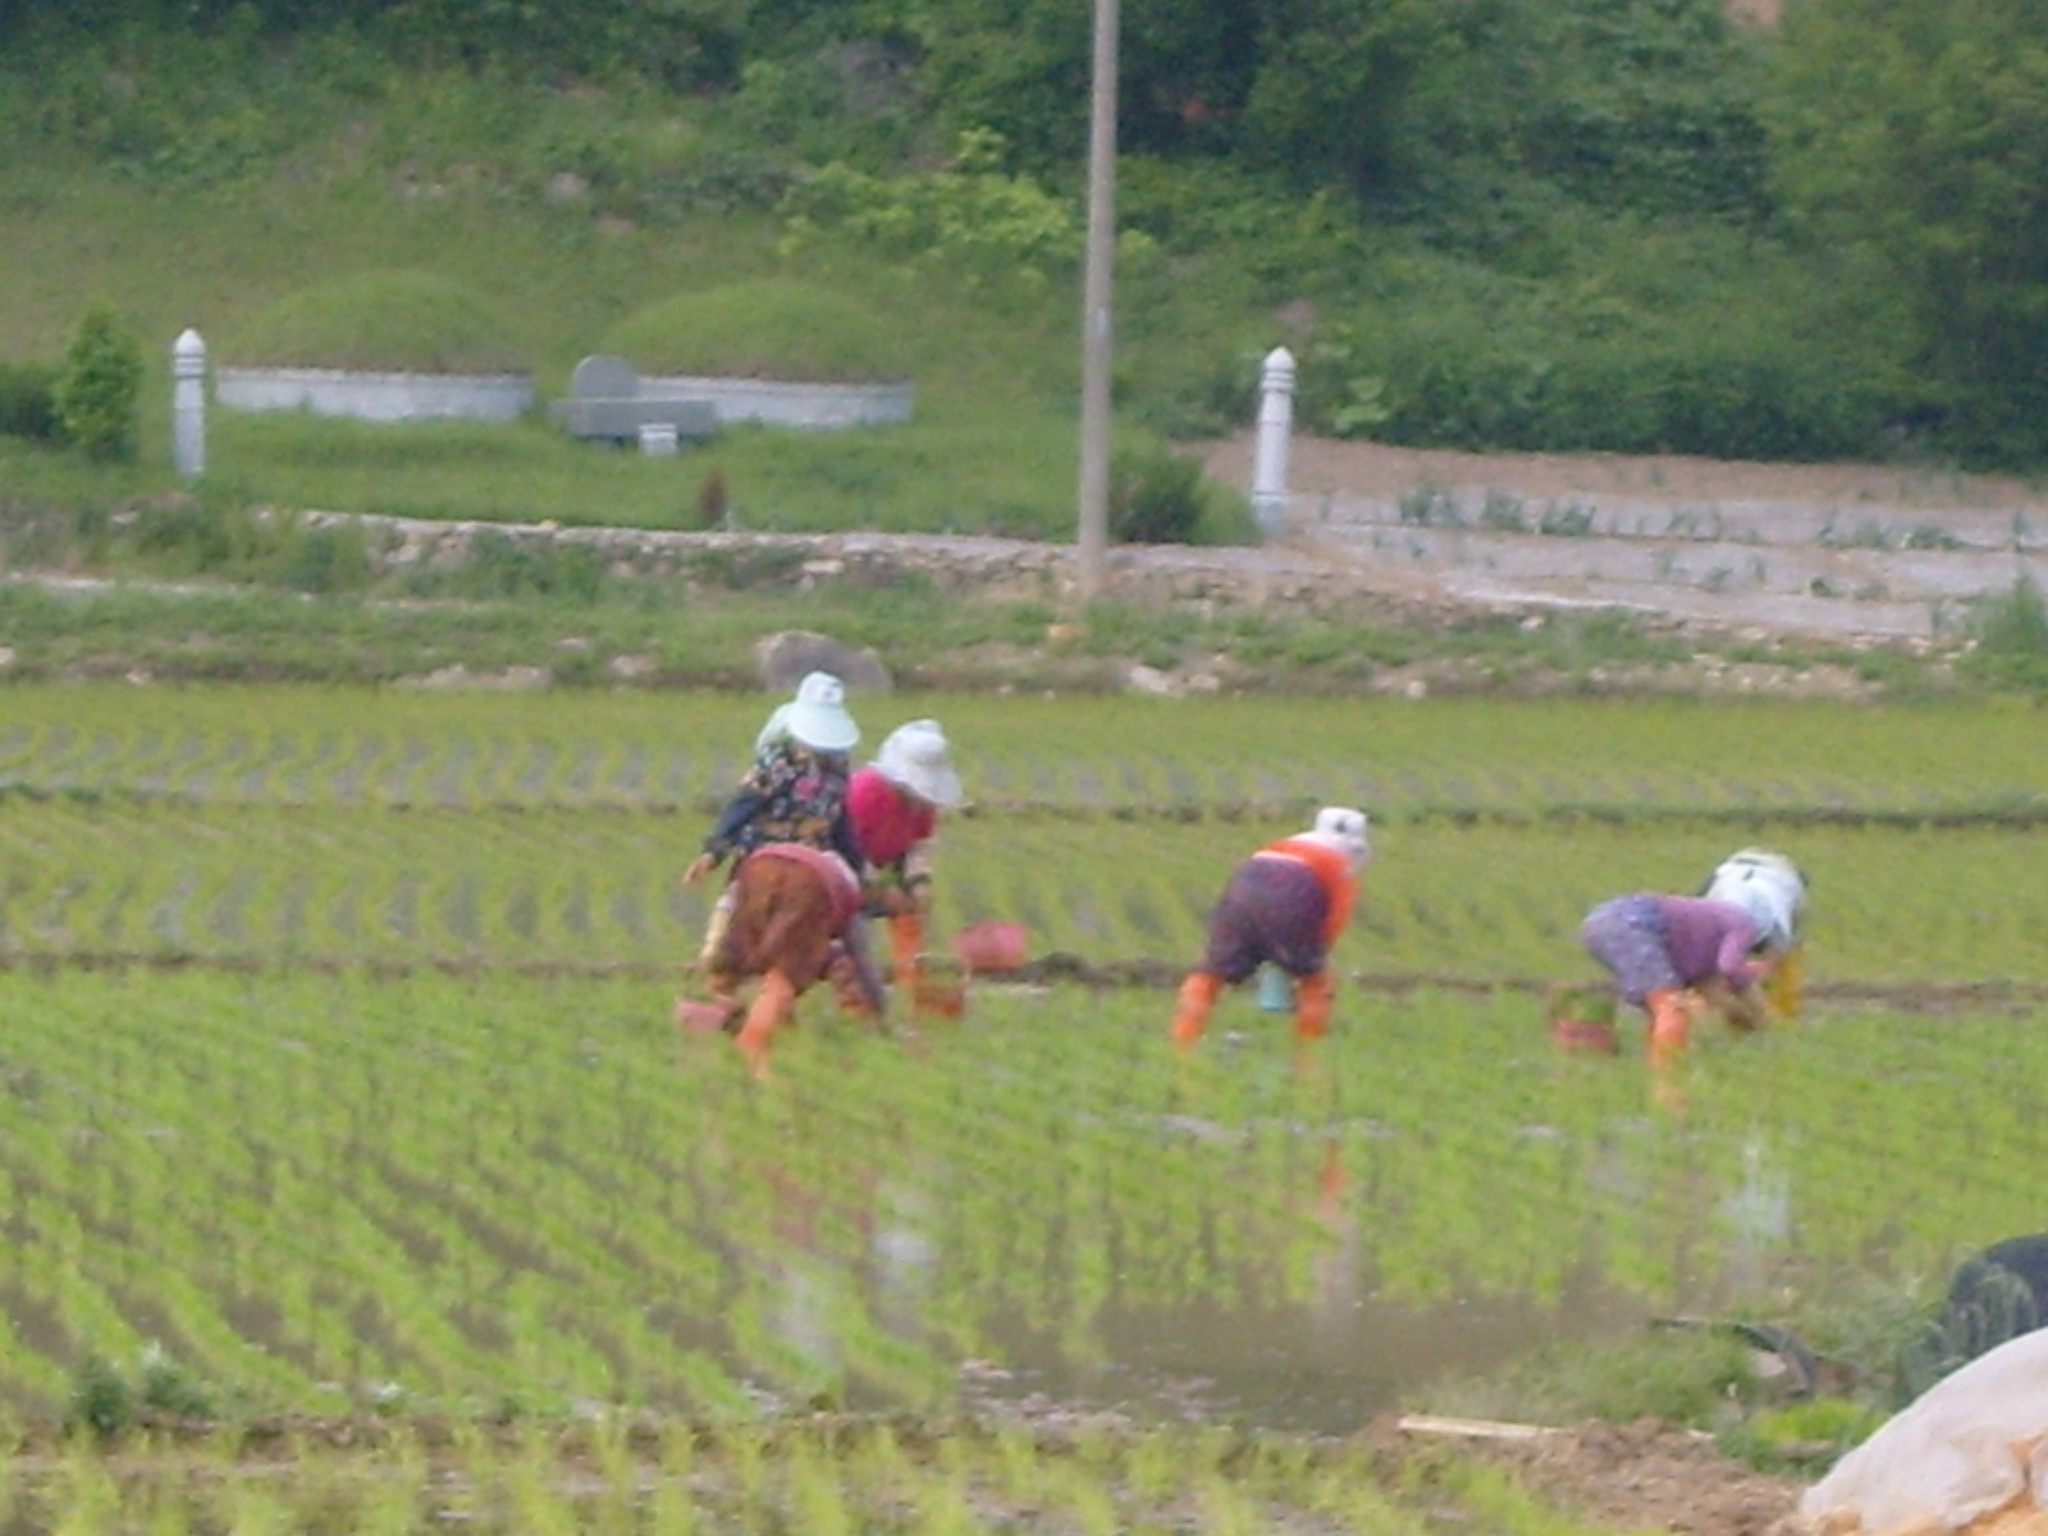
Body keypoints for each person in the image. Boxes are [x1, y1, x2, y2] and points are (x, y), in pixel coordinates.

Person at [680, 672, 884, 1043]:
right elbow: (749, 807)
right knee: (840, 929)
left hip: (790, 850)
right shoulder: (793, 761)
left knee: (734, 912)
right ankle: (867, 1002)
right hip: (788, 850)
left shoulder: (820, 764)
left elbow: (835, 821)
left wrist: (857, 865)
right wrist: (714, 850)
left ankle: (714, 981)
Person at [1171, 806, 1372, 1048]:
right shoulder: (1339, 865)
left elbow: (1252, 885)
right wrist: (1310, 959)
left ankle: (1182, 1041)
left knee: (1211, 972)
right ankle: (1309, 1051)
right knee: (1315, 983)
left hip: (1242, 890)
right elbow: (1334, 919)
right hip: (1293, 894)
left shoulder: (1280, 845)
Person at [1578, 891, 1783, 1067]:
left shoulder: (1704, 942)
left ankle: (1644, 1061)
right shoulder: (1742, 923)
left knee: (1656, 1004)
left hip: (1599, 922)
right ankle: (1669, 1075)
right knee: (1670, 1005)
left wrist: (1738, 1014)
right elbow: (1730, 967)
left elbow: (1709, 987)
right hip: (1632, 922)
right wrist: (1746, 994)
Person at [846, 719, 964, 991]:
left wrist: (918, 883)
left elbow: (919, 845)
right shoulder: (865, 791)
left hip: (885, 861)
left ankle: (911, 982)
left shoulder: (923, 802)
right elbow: (844, 844)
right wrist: (879, 886)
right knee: (852, 931)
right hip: (842, 864)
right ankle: (858, 992)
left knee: (910, 911)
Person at [1700, 847, 1810, 1019]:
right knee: (1703, 966)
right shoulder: (1710, 909)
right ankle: (1706, 1012)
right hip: (1731, 873)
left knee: (1786, 957)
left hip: (1772, 873)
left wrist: (1754, 978)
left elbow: (1778, 951)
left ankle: (1783, 1013)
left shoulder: (1779, 907)